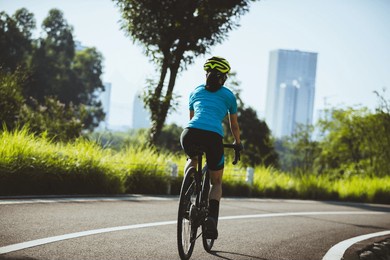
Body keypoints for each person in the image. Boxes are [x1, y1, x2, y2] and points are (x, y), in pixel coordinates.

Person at [180, 56, 243, 239]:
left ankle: (186, 191)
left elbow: (192, 118)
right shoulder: (229, 95)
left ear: (206, 74)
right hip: (213, 137)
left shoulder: (195, 92)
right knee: (216, 182)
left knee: (193, 159)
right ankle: (212, 220)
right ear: (223, 78)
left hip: (189, 133)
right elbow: (234, 126)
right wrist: (237, 143)